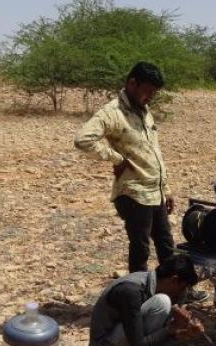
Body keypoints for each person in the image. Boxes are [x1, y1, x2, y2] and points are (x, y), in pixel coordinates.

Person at [74, 61, 206, 300]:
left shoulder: (145, 111)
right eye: (147, 91)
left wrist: (165, 188)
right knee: (141, 249)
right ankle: (138, 297)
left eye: (154, 93)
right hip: (133, 193)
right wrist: (116, 158)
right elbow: (83, 139)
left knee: (166, 245)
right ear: (131, 83)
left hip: (154, 192)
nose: (150, 97)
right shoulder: (112, 113)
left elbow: (155, 151)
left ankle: (177, 292)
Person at [89, 254, 205, 346]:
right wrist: (171, 329)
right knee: (162, 302)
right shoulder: (130, 291)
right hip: (108, 345)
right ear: (173, 280)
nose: (181, 293)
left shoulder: (157, 285)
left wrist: (184, 328)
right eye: (182, 287)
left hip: (126, 333)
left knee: (165, 306)